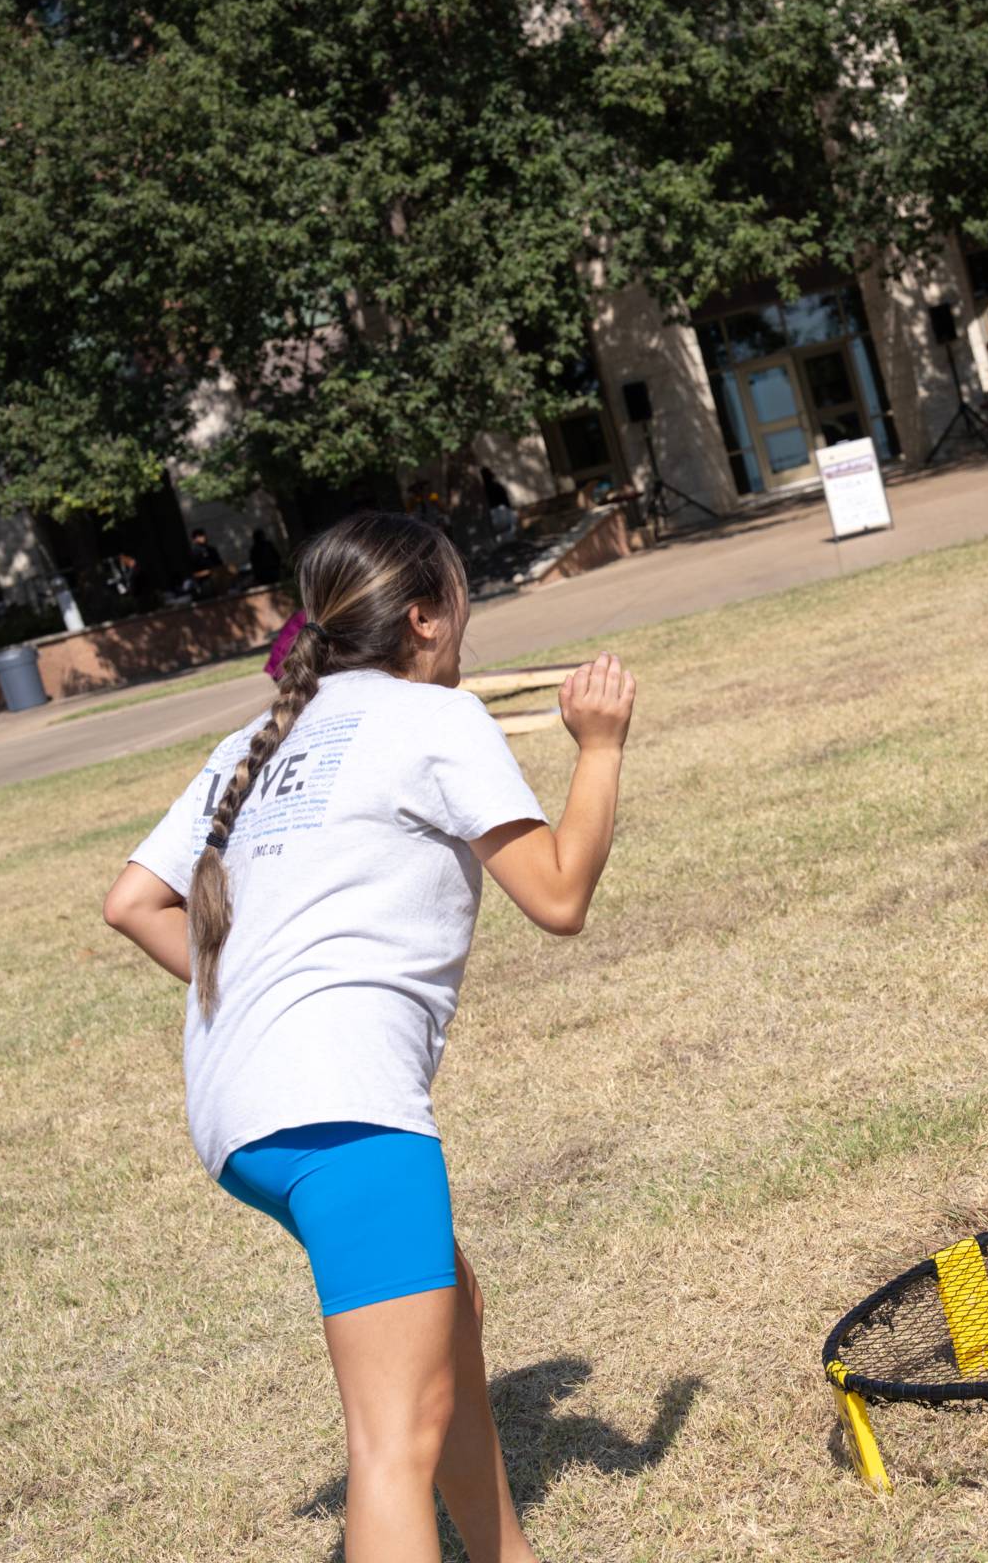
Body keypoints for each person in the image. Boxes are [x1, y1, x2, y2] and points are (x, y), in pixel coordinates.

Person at [102, 512, 637, 1563]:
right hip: (341, 1110)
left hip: (241, 1114)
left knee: (453, 1308)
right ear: (426, 619)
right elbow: (561, 894)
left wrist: (249, 991)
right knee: (393, 1441)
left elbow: (132, 902)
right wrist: (602, 747)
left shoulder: (255, 742)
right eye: (462, 604)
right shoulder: (435, 720)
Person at [186, 528, 229, 600]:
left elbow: (220, 564)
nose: (202, 538)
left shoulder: (211, 550)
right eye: (198, 536)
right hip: (205, 583)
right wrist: (208, 572)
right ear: (194, 539)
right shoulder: (194, 553)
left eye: (202, 535)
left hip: (219, 580)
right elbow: (193, 574)